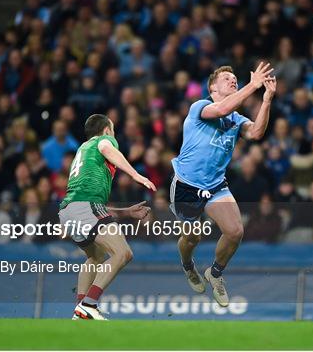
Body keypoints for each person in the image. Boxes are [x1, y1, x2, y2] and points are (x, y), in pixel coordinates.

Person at [170, 63, 275, 307]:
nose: (233, 81)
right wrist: (253, 85)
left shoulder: (236, 120)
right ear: (212, 87)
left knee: (236, 231)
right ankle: (188, 265)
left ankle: (215, 273)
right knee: (192, 239)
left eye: (235, 79)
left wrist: (267, 99)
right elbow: (223, 108)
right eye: (227, 78)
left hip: (216, 185)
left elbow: (257, 133)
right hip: (187, 184)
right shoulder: (201, 106)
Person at [58, 114, 155, 320]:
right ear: (107, 130)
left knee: (95, 257)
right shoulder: (104, 140)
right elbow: (106, 148)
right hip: (85, 207)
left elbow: (89, 200)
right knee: (123, 253)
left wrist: (126, 212)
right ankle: (89, 304)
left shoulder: (82, 149)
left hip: (68, 211)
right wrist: (135, 175)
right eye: (113, 130)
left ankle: (80, 309)